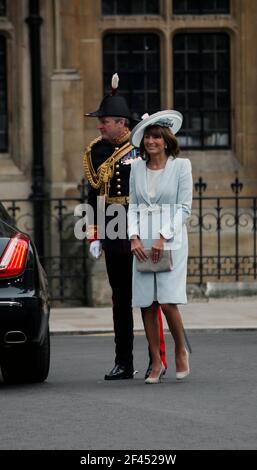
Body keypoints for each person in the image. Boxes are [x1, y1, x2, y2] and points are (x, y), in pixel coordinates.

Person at [83, 74, 168, 380]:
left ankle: (156, 360)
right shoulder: (96, 150)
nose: (99, 125)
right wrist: (92, 233)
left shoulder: (141, 147)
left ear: (121, 123)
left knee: (148, 297)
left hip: (140, 228)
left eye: (104, 121)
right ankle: (123, 361)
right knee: (120, 299)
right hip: (113, 229)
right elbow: (91, 193)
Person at [128, 110, 193, 384]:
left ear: (166, 140)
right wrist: (133, 237)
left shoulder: (182, 166)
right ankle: (156, 360)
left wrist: (163, 236)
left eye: (156, 137)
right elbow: (132, 206)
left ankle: (180, 349)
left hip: (170, 240)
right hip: (142, 241)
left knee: (167, 301)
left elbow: (184, 208)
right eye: (147, 137)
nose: (151, 142)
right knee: (146, 303)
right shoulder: (136, 168)